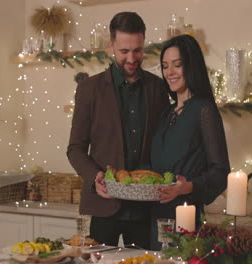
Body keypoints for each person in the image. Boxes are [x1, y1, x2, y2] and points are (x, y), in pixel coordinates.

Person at [66, 12, 170, 249]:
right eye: (124, 51)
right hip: (103, 208)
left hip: (147, 211)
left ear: (143, 43)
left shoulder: (157, 88)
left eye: (138, 50)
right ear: (112, 45)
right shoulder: (89, 89)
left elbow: (165, 144)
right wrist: (95, 177)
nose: (132, 58)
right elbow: (75, 149)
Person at [149, 34, 230, 250]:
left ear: (191, 66)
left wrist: (187, 187)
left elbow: (221, 173)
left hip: (184, 219)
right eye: (165, 66)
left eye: (177, 65)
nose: (170, 72)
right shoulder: (166, 113)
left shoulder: (204, 110)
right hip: (153, 220)